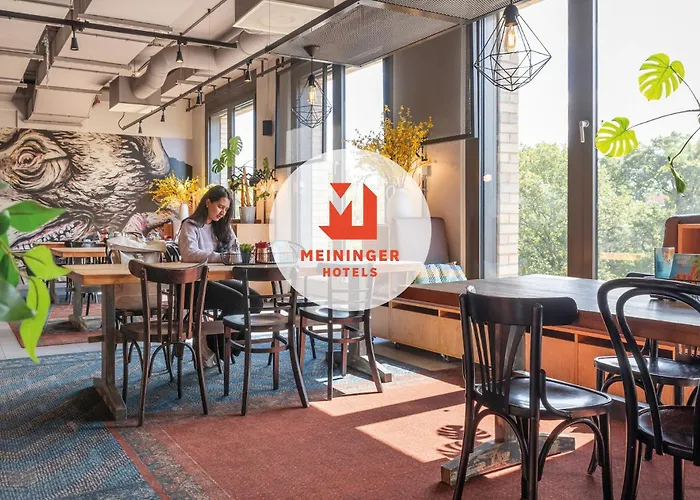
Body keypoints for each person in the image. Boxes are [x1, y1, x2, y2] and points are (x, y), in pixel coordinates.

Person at [178, 185, 262, 366]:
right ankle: (218, 344)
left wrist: (241, 254)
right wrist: (221, 257)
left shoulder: (223, 227)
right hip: (195, 284)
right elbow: (189, 254)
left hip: (218, 279)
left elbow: (235, 249)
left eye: (226, 209)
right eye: (220, 206)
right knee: (238, 301)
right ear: (208, 202)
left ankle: (216, 342)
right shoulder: (190, 225)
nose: (223, 212)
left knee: (255, 301)